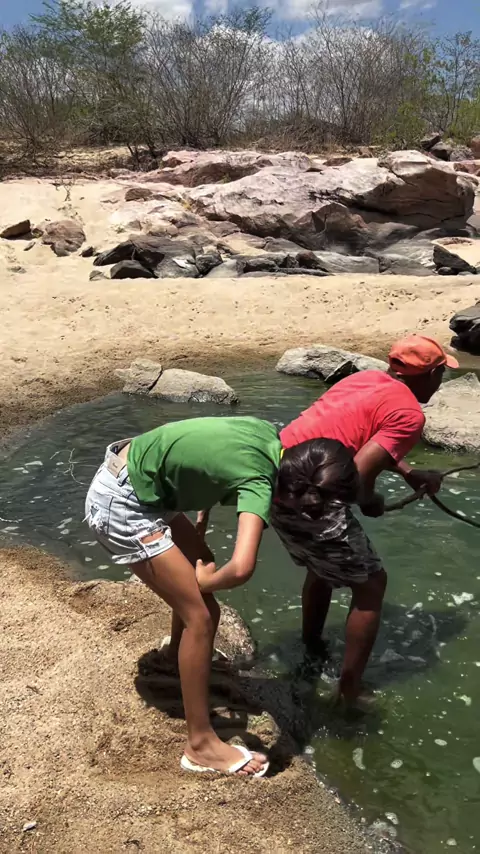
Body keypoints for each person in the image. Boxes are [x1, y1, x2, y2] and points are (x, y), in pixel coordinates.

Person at [85, 415, 359, 777]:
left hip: (137, 476)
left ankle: (174, 657)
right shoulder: (260, 483)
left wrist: (202, 508)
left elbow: (207, 453)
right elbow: (242, 568)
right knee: (202, 616)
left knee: (202, 560)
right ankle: (201, 746)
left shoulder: (267, 435)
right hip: (123, 503)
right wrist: (204, 581)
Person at [272, 335, 459, 706]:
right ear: (429, 374)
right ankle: (349, 691)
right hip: (312, 492)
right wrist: (370, 501)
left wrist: (409, 473)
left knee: (321, 568)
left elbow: (364, 438)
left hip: (274, 476)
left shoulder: (363, 379)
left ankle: (312, 646)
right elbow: (358, 474)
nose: (441, 382)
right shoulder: (410, 414)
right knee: (372, 584)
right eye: (441, 373)